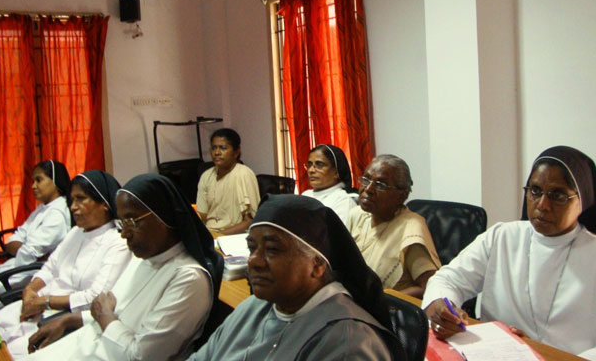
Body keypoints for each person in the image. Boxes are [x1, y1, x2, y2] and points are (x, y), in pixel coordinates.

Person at [423, 146, 596, 360]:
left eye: (558, 195)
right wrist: (442, 306)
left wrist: (547, 356)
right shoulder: (501, 237)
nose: (542, 205)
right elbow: (448, 279)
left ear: (582, 200)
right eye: (535, 191)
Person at [24, 173, 223, 361]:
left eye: (131, 221)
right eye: (122, 222)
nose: (123, 233)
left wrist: (105, 318)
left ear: (164, 218)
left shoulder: (189, 280)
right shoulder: (143, 257)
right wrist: (69, 320)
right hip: (87, 345)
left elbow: (138, 356)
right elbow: (114, 311)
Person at [188, 194, 407, 361]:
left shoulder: (348, 343)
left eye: (272, 249)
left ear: (318, 265)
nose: (254, 260)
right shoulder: (254, 307)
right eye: (252, 247)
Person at [0, 170, 130, 357]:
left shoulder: (117, 243)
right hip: (39, 305)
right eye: (72, 200)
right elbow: (50, 267)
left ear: (104, 204)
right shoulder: (76, 233)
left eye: (81, 199)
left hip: (63, 317)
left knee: (6, 353)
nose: (73, 207)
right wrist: (30, 291)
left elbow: (94, 297)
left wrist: (45, 302)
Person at [0, 160, 71, 312]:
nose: (33, 186)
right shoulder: (43, 208)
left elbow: (27, 254)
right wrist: (27, 249)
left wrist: (26, 250)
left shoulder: (57, 214)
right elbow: (14, 240)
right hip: (18, 265)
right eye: (33, 181)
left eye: (39, 180)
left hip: (29, 273)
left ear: (55, 181)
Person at [346, 154, 441, 298]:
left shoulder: (411, 228)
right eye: (366, 179)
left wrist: (384, 301)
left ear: (401, 196)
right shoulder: (357, 215)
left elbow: (428, 287)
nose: (369, 189)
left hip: (388, 313)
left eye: (380, 185)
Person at [196, 128, 260, 235]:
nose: (217, 152)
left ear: (236, 152)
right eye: (214, 148)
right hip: (210, 233)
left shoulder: (244, 174)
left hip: (236, 236)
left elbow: (250, 220)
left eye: (223, 148)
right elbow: (203, 215)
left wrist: (219, 235)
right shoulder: (206, 176)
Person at [301, 144, 357, 226]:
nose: (311, 170)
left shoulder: (343, 201)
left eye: (319, 165)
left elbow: (337, 236)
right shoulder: (305, 195)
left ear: (336, 172)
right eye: (309, 165)